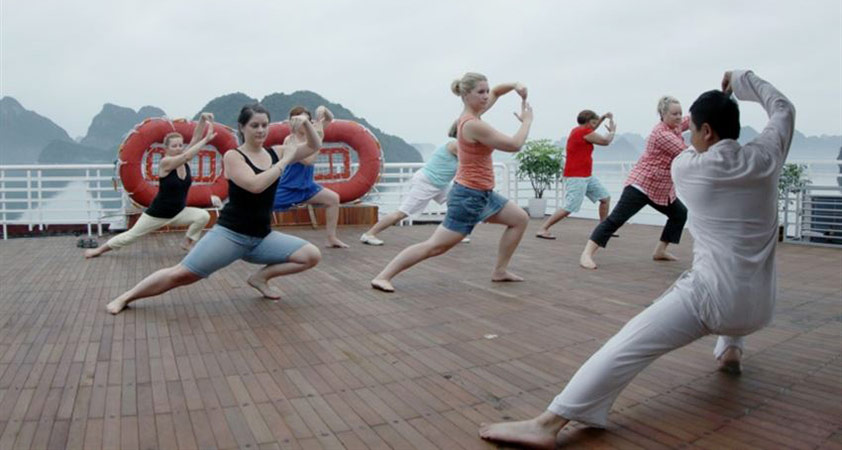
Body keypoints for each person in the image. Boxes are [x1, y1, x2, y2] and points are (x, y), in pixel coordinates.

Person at [479, 70, 795, 448]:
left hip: (710, 300)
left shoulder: (689, 168)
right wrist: (742, 80)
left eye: (693, 129)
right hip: (762, 305)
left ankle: (548, 424)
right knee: (740, 264)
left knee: (627, 345)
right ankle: (731, 348)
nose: (688, 136)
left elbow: (690, 148)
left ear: (707, 132)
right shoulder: (768, 156)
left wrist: (714, 101)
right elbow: (783, 109)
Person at [106, 104, 324, 314]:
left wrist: (306, 125)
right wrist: (285, 161)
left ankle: (260, 278)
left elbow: (314, 146)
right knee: (181, 274)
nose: (260, 130)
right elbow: (255, 185)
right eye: (254, 125)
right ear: (242, 127)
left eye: (264, 125)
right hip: (231, 235)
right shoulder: (234, 157)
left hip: (261, 237)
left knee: (310, 255)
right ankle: (126, 297)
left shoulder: (276, 152)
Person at [370, 73, 531, 292]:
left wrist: (515, 85)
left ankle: (500, 271)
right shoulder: (472, 124)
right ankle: (383, 276)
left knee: (519, 218)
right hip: (468, 197)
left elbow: (496, 92)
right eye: (480, 92)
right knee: (435, 246)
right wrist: (527, 120)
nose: (486, 96)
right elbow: (514, 144)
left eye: (486, 91)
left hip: (484, 193)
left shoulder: (473, 114)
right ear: (466, 95)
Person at [360, 82, 527, 246]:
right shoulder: (455, 146)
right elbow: (472, 163)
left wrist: (514, 85)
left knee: (457, 206)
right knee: (403, 213)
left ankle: (455, 233)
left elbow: (495, 93)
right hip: (427, 182)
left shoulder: (460, 138)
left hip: (439, 183)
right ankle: (369, 234)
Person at [84, 113, 218, 258]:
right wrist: (206, 139)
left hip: (178, 212)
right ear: (166, 149)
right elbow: (188, 155)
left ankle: (187, 243)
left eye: (180, 145)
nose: (178, 148)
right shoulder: (166, 163)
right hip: (158, 214)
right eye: (174, 146)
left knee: (203, 216)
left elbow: (195, 139)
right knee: (130, 236)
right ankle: (99, 250)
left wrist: (202, 120)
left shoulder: (183, 161)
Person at [579, 96, 690, 269]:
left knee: (679, 213)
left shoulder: (675, 126)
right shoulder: (662, 134)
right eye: (674, 114)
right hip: (641, 185)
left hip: (660, 189)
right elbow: (686, 152)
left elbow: (692, 119)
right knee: (616, 220)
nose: (678, 117)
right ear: (663, 114)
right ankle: (586, 254)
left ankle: (660, 251)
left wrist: (721, 98)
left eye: (679, 113)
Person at [273, 105, 348, 248]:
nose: (304, 124)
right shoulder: (290, 140)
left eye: (307, 120)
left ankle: (331, 238)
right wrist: (319, 137)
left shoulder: (312, 134)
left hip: (306, 186)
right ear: (293, 122)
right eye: (301, 121)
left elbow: (329, 119)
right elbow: (308, 160)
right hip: (289, 186)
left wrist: (323, 110)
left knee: (333, 199)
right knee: (262, 205)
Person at [535, 110, 616, 240]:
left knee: (605, 198)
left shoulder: (578, 130)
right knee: (570, 206)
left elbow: (593, 127)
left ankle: (603, 229)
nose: (595, 125)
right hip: (576, 176)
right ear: (588, 122)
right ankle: (543, 229)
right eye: (593, 122)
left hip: (586, 175)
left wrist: (603, 118)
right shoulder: (583, 132)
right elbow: (606, 141)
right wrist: (612, 131)